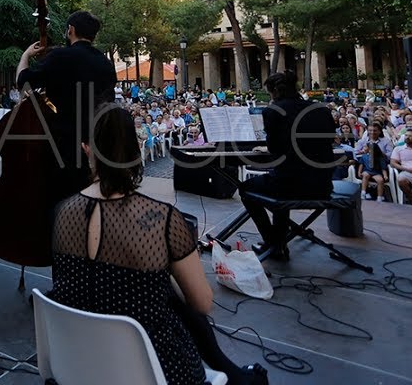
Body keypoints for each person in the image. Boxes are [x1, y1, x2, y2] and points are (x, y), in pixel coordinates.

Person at [49, 108, 267, 385]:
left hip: (77, 361)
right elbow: (202, 303)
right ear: (137, 152)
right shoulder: (163, 220)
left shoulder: (61, 212)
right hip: (153, 368)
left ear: (86, 150)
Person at [16, 10, 118, 205]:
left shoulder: (61, 56)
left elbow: (24, 82)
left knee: (63, 200)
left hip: (64, 143)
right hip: (97, 142)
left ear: (70, 30)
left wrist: (26, 56)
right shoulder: (105, 63)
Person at [238, 70, 337, 260]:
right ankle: (280, 243)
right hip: (323, 184)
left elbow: (274, 149)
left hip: (290, 185)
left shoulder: (273, 111)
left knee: (246, 189)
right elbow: (329, 140)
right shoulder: (320, 109)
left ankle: (273, 242)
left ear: (275, 91)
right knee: (280, 181)